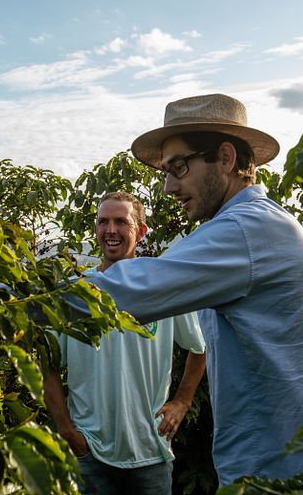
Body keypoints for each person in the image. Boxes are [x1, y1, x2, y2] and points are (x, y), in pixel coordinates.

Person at [66, 94, 303, 486]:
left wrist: (16, 294)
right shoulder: (263, 224)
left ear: (226, 159)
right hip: (285, 461)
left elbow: (131, 291)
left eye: (178, 168)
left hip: (274, 471)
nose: (168, 186)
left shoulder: (243, 231)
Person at [44, 191, 207, 495]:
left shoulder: (162, 286)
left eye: (122, 221)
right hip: (89, 455)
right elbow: (48, 364)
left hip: (150, 452)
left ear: (141, 231)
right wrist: (67, 431)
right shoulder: (76, 292)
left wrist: (182, 402)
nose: (111, 230)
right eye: (103, 222)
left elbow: (199, 349)